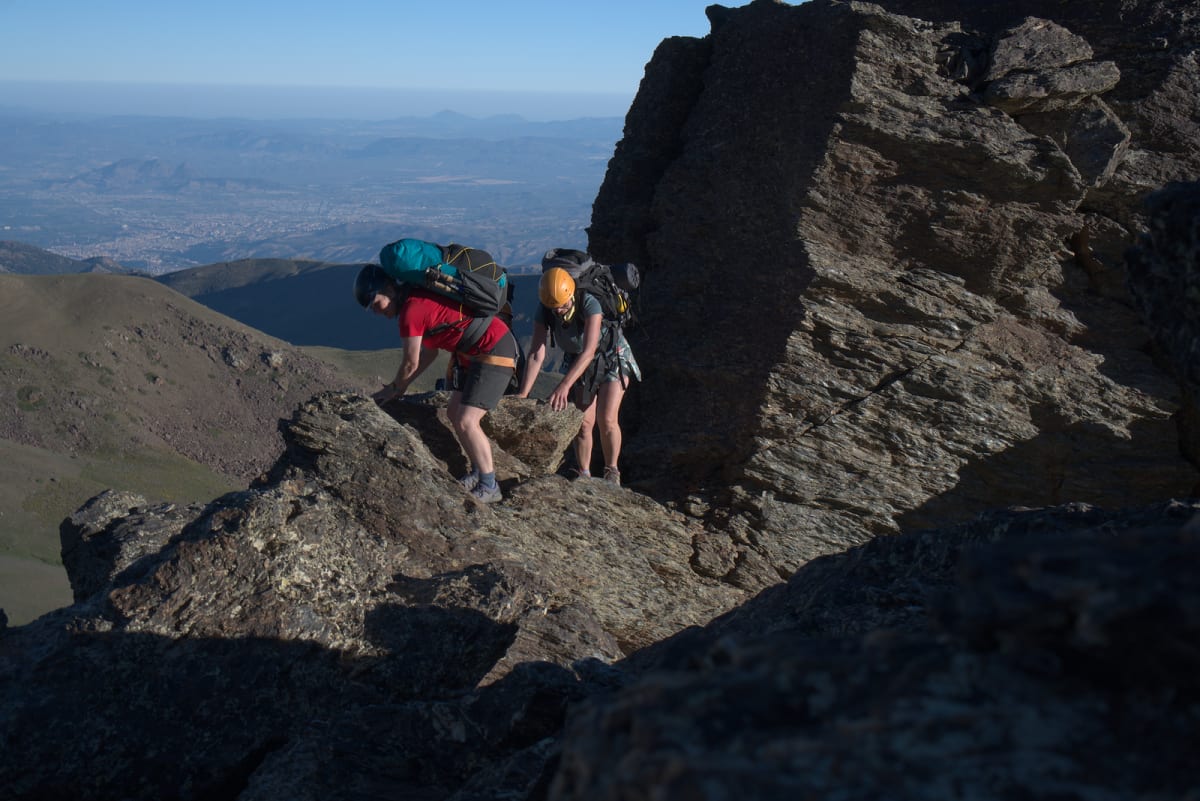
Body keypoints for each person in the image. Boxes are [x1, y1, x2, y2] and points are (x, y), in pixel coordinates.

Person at [354, 263, 518, 503]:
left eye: (375, 303)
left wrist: (395, 388)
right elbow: (428, 354)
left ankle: (489, 485)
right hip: (476, 352)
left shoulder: (412, 311)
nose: (376, 311)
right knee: (453, 412)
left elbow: (411, 362)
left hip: (494, 348)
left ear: (389, 289)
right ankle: (477, 471)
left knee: (466, 420)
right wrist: (401, 387)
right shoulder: (417, 299)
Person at [514, 266, 640, 484]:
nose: (559, 311)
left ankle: (612, 472)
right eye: (554, 308)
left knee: (607, 417)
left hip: (612, 357)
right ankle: (584, 474)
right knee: (582, 422)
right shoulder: (545, 308)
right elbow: (536, 353)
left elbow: (590, 350)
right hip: (577, 362)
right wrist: (523, 394)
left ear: (571, 295)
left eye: (562, 306)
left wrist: (563, 385)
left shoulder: (590, 304)